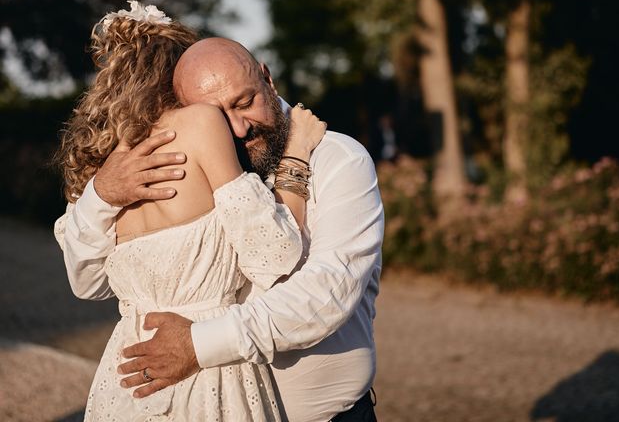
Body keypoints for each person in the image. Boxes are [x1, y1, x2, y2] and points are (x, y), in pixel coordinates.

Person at [57, 37, 384, 420]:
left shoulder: (338, 160)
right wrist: (101, 195)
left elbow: (327, 292)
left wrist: (197, 344)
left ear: (267, 79)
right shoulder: (185, 162)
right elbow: (91, 282)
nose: (239, 128)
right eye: (214, 115)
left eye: (245, 103)